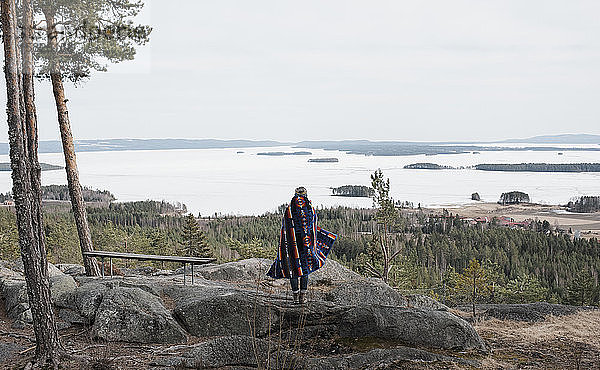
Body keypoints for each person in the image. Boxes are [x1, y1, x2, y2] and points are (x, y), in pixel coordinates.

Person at [267, 187, 337, 304]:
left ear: (295, 194)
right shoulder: (310, 208)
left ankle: (295, 297)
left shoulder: (289, 209)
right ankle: (302, 297)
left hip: (291, 245)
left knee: (293, 270)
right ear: (306, 194)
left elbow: (285, 227)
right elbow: (312, 226)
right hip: (306, 245)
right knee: (304, 269)